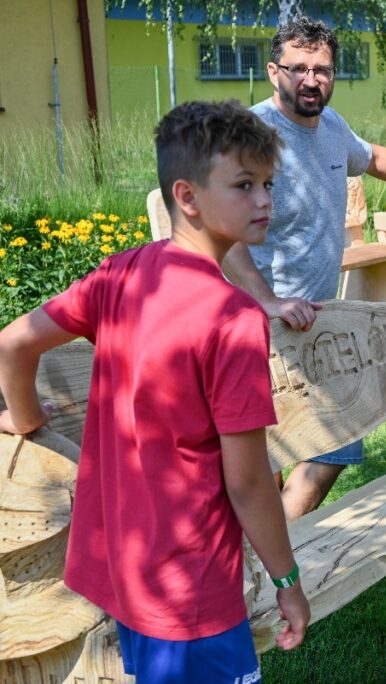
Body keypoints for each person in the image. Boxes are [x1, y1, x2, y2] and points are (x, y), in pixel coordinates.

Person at [0, 100, 310, 682]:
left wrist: (24, 415)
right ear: (187, 197)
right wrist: (287, 581)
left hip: (128, 572)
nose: (265, 200)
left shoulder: (119, 275)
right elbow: (246, 481)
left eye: (269, 183)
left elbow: (13, 343)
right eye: (244, 185)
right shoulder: (234, 319)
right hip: (194, 593)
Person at [221, 16, 386, 522]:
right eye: (298, 68)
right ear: (272, 71)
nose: (311, 80)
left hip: (317, 320)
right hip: (252, 324)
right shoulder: (250, 137)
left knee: (336, 445)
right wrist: (267, 300)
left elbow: (371, 157)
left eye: (322, 70)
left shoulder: (330, 128)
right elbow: (222, 238)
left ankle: (269, 546)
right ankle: (265, 555)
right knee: (263, 452)